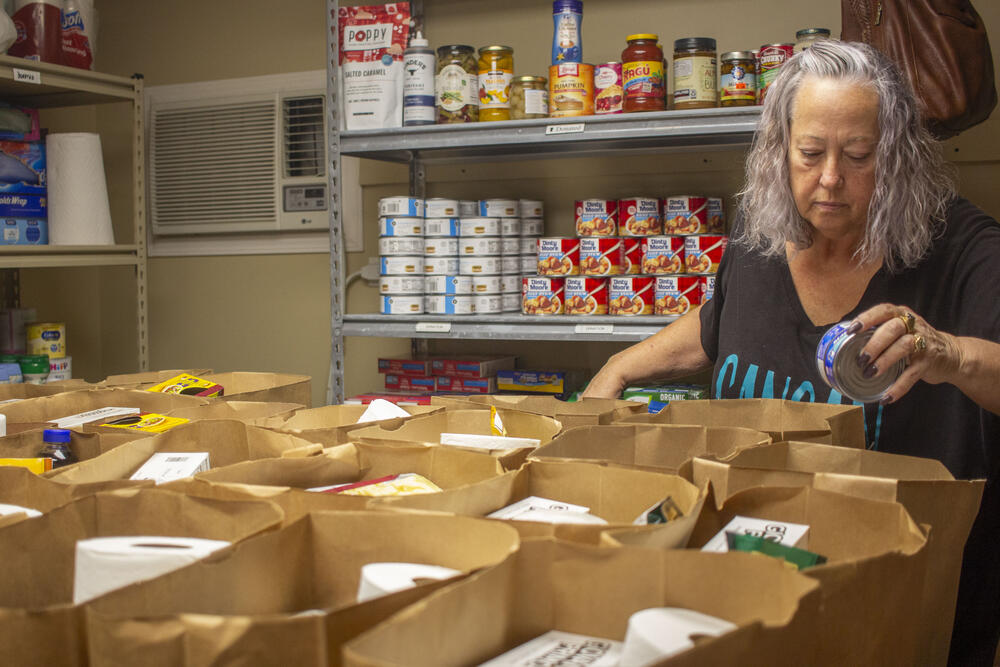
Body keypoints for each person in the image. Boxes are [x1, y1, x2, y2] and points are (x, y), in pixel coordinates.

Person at [583, 40, 1000, 665]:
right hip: (754, 588)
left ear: (899, 156)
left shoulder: (965, 251)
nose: (830, 179)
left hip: (903, 600)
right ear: (779, 151)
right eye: (809, 153)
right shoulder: (757, 241)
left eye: (859, 156)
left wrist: (951, 354)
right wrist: (620, 366)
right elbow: (719, 323)